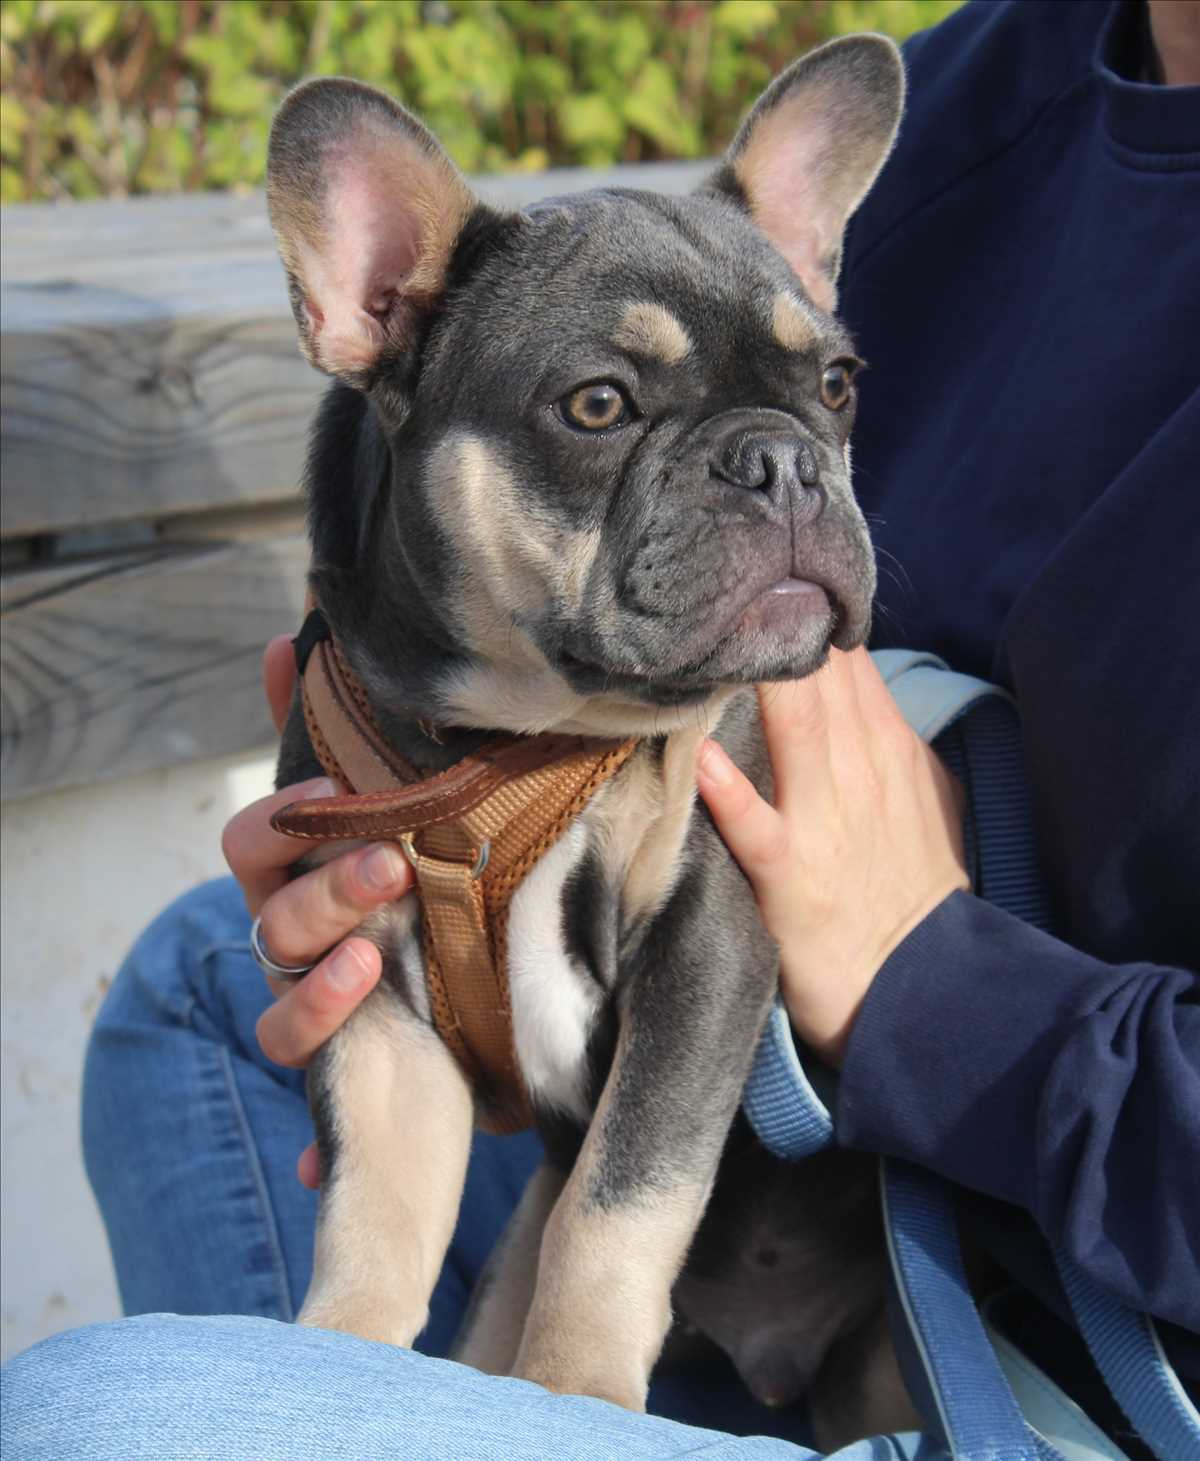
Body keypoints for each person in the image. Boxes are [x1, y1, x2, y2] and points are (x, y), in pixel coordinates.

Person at [3, 1, 1197, 1456]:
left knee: (87, 1418)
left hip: (1043, 1320)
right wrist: (463, 919)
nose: (785, 474)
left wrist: (937, 982)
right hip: (744, 1133)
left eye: (817, 398)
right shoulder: (985, 88)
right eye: (605, 407)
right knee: (195, 985)